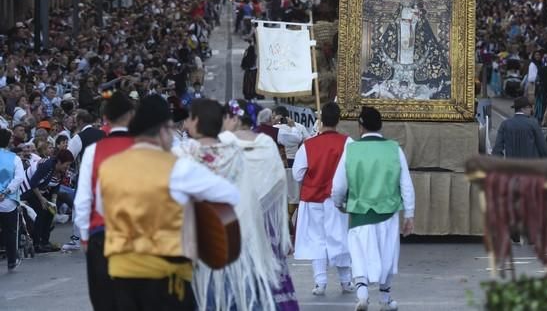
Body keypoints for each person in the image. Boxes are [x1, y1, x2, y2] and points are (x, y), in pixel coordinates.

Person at [96, 95, 240, 311]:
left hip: (120, 273)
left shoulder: (109, 167)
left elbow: (101, 208)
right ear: (163, 131)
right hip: (165, 276)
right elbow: (231, 195)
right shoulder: (178, 167)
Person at [175, 98, 299, 311]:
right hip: (245, 238)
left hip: (202, 246)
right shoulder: (245, 150)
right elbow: (272, 184)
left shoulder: (187, 152)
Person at [331, 106, 415, 311]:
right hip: (388, 212)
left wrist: (338, 202)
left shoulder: (351, 149)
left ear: (360, 127)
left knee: (359, 254)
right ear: (381, 126)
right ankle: (385, 300)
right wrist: (409, 214)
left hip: (360, 213)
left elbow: (339, 185)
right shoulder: (394, 148)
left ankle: (362, 295)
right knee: (387, 254)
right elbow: (406, 184)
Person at [74, 91, 136, 311]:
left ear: (106, 118)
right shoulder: (145, 148)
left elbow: (83, 199)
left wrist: (83, 236)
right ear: (131, 115)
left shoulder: (93, 151)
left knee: (104, 300)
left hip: (102, 234)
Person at [292, 102, 354, 296]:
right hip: (338, 199)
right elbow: (352, 170)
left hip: (313, 198)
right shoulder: (348, 142)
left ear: (320, 120)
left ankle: (320, 282)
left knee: (317, 240)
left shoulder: (308, 145)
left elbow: (298, 174)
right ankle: (346, 281)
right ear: (338, 120)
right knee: (340, 238)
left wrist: (314, 177)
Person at [20, 148, 74, 252]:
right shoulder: (47, 165)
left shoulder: (62, 171)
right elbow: (33, 183)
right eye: (66, 164)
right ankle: (36, 243)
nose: (68, 167)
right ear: (59, 162)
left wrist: (53, 203)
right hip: (27, 188)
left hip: (40, 189)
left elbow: (56, 186)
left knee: (50, 211)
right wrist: (42, 200)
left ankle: (45, 241)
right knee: (42, 210)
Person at [0, 128, 24, 270]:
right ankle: (11, 260)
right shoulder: (15, 158)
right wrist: (6, 191)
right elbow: (19, 178)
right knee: (10, 231)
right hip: (8, 200)